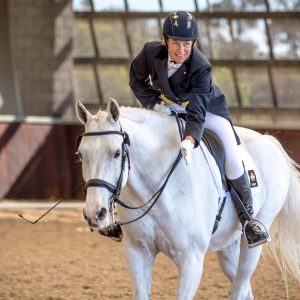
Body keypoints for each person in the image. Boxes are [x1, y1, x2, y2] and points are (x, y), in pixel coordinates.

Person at [129, 11, 270, 247]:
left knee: (233, 157)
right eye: (176, 43)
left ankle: (249, 220)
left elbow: (197, 111)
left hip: (208, 111)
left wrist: (190, 139)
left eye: (187, 44)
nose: (182, 50)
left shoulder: (201, 66)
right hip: (170, 108)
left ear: (193, 43)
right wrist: (153, 104)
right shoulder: (149, 53)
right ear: (165, 41)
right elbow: (136, 79)